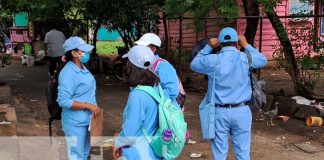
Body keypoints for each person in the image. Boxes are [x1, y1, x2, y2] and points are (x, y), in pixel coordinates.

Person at [190, 27, 267, 160]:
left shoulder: (213, 60)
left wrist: (208, 47)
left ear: (219, 43)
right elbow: (263, 60)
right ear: (236, 42)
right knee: (243, 152)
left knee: (219, 153)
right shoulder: (246, 57)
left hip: (219, 112)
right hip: (242, 111)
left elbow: (194, 64)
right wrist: (247, 45)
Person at [113, 45, 161, 160]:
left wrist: (117, 142)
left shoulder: (137, 95)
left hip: (138, 152)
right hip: (152, 150)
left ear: (131, 66)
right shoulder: (155, 86)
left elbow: (131, 132)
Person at [57, 36, 102, 160]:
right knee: (76, 155)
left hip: (88, 120)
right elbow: (63, 100)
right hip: (74, 123)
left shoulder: (82, 67)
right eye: (83, 51)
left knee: (85, 153)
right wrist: (89, 105)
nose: (86, 53)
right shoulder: (68, 73)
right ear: (74, 53)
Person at [134, 33, 180, 107]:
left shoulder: (163, 66)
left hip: (162, 111)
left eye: (142, 47)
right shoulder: (143, 64)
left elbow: (172, 91)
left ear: (153, 50)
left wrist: (149, 99)